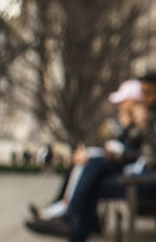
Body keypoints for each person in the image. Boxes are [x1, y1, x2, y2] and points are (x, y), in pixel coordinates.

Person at [35, 70, 156, 242]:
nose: (145, 99)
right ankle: (70, 229)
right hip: (150, 177)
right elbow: (148, 154)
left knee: (94, 177)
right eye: (143, 93)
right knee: (95, 165)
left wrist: (144, 128)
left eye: (149, 93)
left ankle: (71, 235)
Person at [25, 79, 144, 233]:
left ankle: (68, 215)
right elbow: (110, 144)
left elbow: (134, 155)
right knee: (84, 160)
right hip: (119, 166)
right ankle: (61, 210)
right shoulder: (124, 124)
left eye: (123, 101)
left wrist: (130, 130)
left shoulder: (140, 124)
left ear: (133, 102)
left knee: (89, 162)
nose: (119, 105)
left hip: (128, 172)